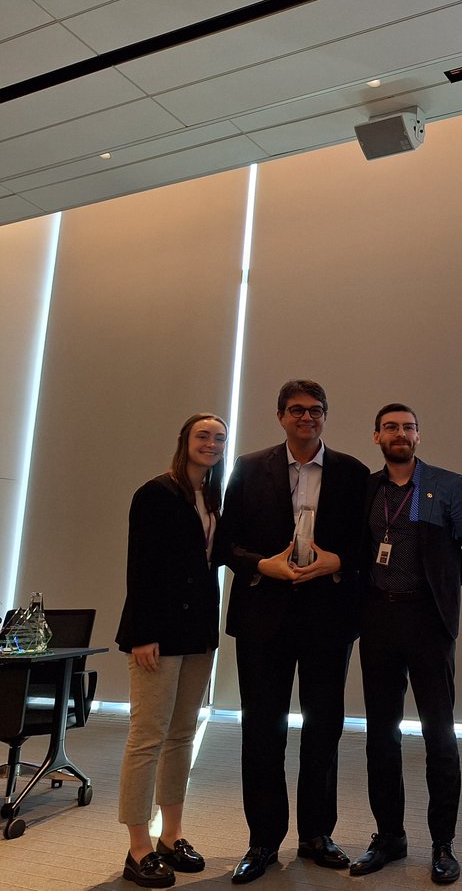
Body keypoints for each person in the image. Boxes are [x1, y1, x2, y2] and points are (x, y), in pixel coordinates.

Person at [214, 380, 368, 884]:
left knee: (323, 730)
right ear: (280, 416)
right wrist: (264, 565)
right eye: (297, 410)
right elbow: (225, 544)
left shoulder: (352, 473)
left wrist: (338, 561)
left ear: (326, 416)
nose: (307, 418)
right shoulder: (248, 467)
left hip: (329, 619)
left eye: (316, 410)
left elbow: (368, 546)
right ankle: (262, 841)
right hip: (263, 617)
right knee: (263, 730)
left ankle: (317, 835)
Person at [349, 404, 462, 884]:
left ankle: (443, 845)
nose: (401, 433)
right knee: (382, 734)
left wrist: (441, 586)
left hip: (428, 624)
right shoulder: (368, 489)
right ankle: (389, 837)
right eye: (391, 427)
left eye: (408, 427)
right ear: (377, 437)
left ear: (418, 435)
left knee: (439, 736)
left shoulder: (447, 484)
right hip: (379, 621)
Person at [116, 413, 227, 888]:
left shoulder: (213, 496)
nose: (212, 443)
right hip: (156, 633)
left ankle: (171, 836)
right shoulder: (155, 493)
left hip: (198, 633)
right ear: (184, 441)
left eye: (220, 438)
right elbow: (140, 567)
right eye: (203, 435)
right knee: (147, 738)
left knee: (182, 735)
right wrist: (142, 632)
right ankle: (139, 847)